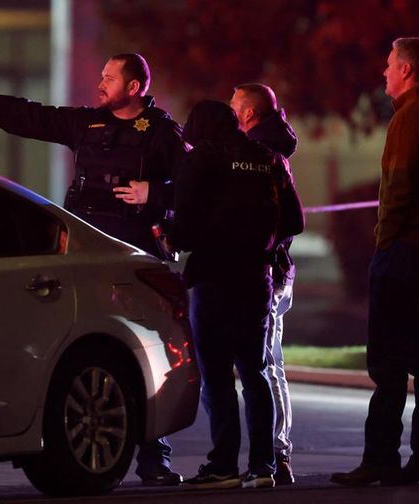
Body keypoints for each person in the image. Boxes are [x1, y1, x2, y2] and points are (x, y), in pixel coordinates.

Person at [0, 53, 186, 486]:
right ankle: (69, 439)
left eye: (110, 78)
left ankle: (154, 456)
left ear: (134, 88)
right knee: (76, 348)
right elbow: (25, 115)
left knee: (146, 351)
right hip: (82, 253)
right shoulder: (85, 123)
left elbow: (193, 188)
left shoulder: (162, 134)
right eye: (100, 75)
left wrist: (156, 194)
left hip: (134, 257)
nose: (100, 83)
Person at [330, 37, 419, 487]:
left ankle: (381, 457)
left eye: (389, 65)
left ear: (406, 70)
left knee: (387, 362)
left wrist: (383, 245)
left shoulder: (410, 118)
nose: (383, 72)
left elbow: (398, 189)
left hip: (408, 249)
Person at [172, 100, 304, 490]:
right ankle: (263, 467)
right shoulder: (270, 159)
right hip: (257, 276)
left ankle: (223, 465)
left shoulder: (204, 159)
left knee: (216, 375)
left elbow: (184, 224)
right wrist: (261, 246)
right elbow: (295, 220)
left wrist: (173, 239)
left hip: (213, 276)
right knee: (255, 370)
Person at [230, 82, 298, 485]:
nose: (230, 111)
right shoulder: (268, 151)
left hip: (268, 273)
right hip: (271, 269)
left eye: (234, 105)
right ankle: (274, 451)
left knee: (267, 365)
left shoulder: (264, 156)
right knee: (267, 365)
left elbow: (291, 221)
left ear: (250, 114)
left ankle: (276, 453)